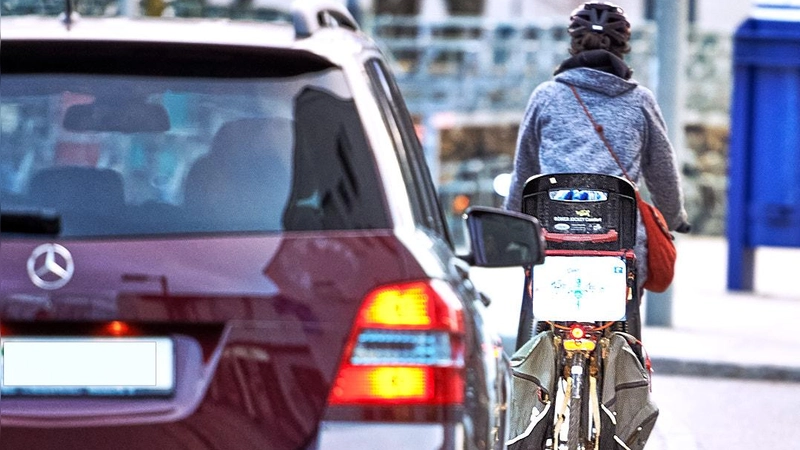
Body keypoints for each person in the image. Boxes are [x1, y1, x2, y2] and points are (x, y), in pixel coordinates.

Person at [503, 2, 690, 345]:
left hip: (553, 240)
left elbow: (524, 170)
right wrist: (674, 216)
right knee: (624, 324)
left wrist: (510, 221)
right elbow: (662, 172)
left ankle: (533, 363)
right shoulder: (640, 101)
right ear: (623, 48)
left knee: (538, 317)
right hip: (618, 240)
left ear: (573, 45)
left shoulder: (546, 96)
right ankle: (626, 362)